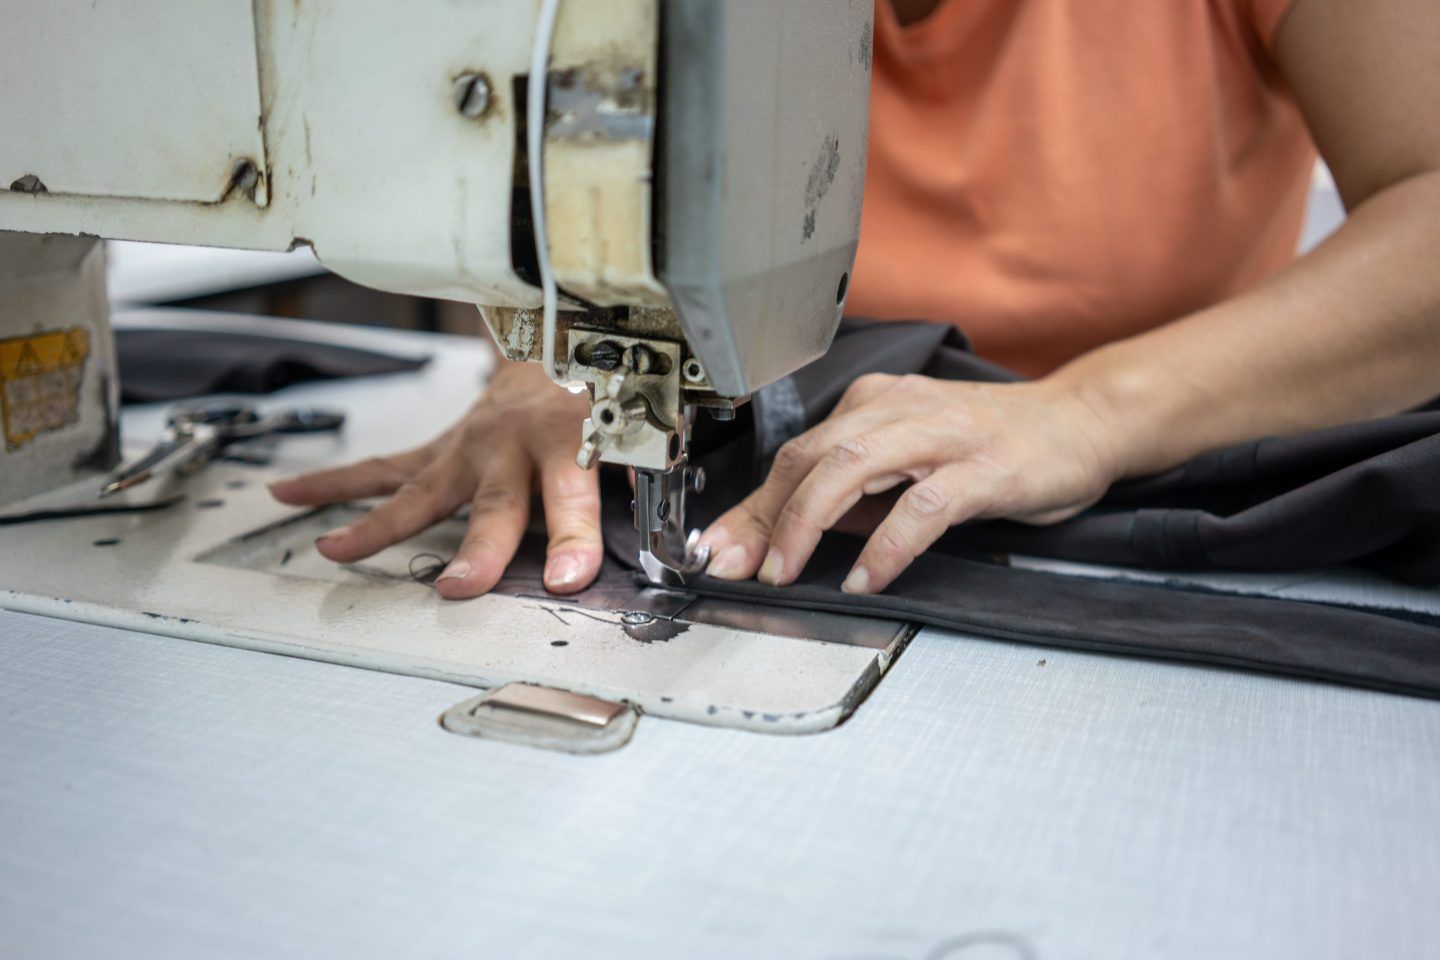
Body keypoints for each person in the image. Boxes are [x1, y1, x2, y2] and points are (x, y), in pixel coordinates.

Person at [269, 0, 1440, 599]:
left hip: (1148, 507)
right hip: (772, 485)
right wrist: (550, 355)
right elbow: (567, 187)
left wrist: (1082, 413)